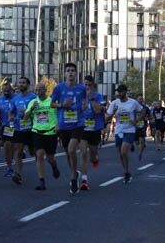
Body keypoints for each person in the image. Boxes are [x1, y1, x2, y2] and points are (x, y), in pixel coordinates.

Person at [51, 62, 88, 195]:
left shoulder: (81, 88)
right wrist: (62, 104)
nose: (70, 73)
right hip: (64, 124)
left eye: (73, 70)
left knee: (72, 149)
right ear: (64, 73)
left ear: (76, 73)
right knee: (68, 152)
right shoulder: (59, 88)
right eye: (68, 71)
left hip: (78, 123)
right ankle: (75, 172)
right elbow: (51, 103)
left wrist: (84, 106)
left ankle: (73, 178)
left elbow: (85, 101)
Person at [25, 82, 62, 190]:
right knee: (39, 155)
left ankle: (54, 166)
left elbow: (60, 114)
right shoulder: (33, 102)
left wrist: (58, 125)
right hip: (37, 131)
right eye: (36, 90)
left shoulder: (51, 101)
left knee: (50, 158)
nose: (37, 92)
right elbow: (25, 117)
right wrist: (31, 108)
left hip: (50, 132)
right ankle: (42, 181)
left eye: (39, 90)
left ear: (45, 90)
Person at [106, 84, 145, 183]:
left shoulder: (133, 102)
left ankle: (126, 173)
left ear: (125, 92)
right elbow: (106, 118)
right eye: (119, 92)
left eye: (122, 92)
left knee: (124, 151)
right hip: (119, 131)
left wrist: (136, 120)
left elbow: (143, 111)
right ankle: (126, 171)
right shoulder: (114, 103)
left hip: (129, 130)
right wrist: (112, 113)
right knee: (120, 154)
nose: (120, 94)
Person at [78, 75, 106, 190]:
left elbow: (98, 110)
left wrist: (91, 98)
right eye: (85, 85)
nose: (87, 87)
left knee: (92, 157)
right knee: (83, 153)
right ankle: (84, 180)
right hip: (83, 129)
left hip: (94, 129)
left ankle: (95, 158)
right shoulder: (80, 96)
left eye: (89, 85)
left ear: (93, 86)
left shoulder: (98, 96)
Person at [10, 76, 36, 186]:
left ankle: (39, 162)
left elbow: (38, 112)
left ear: (28, 85)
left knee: (32, 152)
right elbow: (11, 112)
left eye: (23, 83)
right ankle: (18, 174)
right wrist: (10, 117)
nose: (21, 84)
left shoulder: (33, 97)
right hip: (19, 127)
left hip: (31, 128)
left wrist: (28, 111)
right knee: (18, 150)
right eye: (20, 83)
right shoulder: (15, 98)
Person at [0, 81, 17, 178]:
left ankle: (15, 156)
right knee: (7, 145)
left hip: (17, 125)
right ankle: (9, 167)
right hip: (6, 125)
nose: (6, 92)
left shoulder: (16, 98)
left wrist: (15, 116)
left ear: (11, 90)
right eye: (4, 91)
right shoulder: (0, 99)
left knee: (15, 146)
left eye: (8, 91)